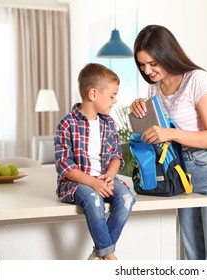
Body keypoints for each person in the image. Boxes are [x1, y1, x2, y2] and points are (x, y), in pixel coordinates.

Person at [130, 25, 207, 260]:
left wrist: (170, 133)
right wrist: (140, 111)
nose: (147, 70)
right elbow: (157, 134)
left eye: (153, 63)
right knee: (192, 254)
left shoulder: (197, 79)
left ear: (167, 54)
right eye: (142, 65)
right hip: (180, 175)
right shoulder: (153, 87)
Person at [54, 63, 135, 260]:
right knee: (93, 199)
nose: (115, 101)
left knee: (126, 199)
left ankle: (99, 253)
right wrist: (93, 182)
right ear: (93, 94)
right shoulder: (67, 123)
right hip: (77, 182)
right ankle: (108, 256)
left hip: (104, 179)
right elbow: (64, 165)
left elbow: (116, 156)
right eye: (112, 95)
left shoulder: (109, 123)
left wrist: (109, 176)